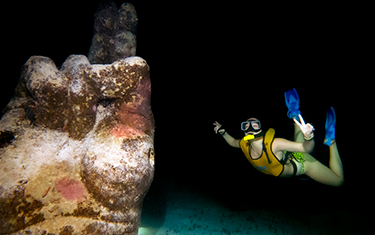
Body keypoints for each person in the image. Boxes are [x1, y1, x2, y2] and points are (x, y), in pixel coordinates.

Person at [213, 88, 344, 187]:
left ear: (261, 129)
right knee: (297, 140)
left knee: (339, 181)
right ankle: (294, 113)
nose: (250, 128)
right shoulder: (244, 143)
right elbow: (232, 142)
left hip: (302, 164)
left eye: (255, 125)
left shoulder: (275, 144)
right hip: (290, 155)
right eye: (246, 125)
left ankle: (330, 140)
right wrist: (223, 132)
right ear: (244, 130)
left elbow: (306, 149)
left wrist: (309, 137)